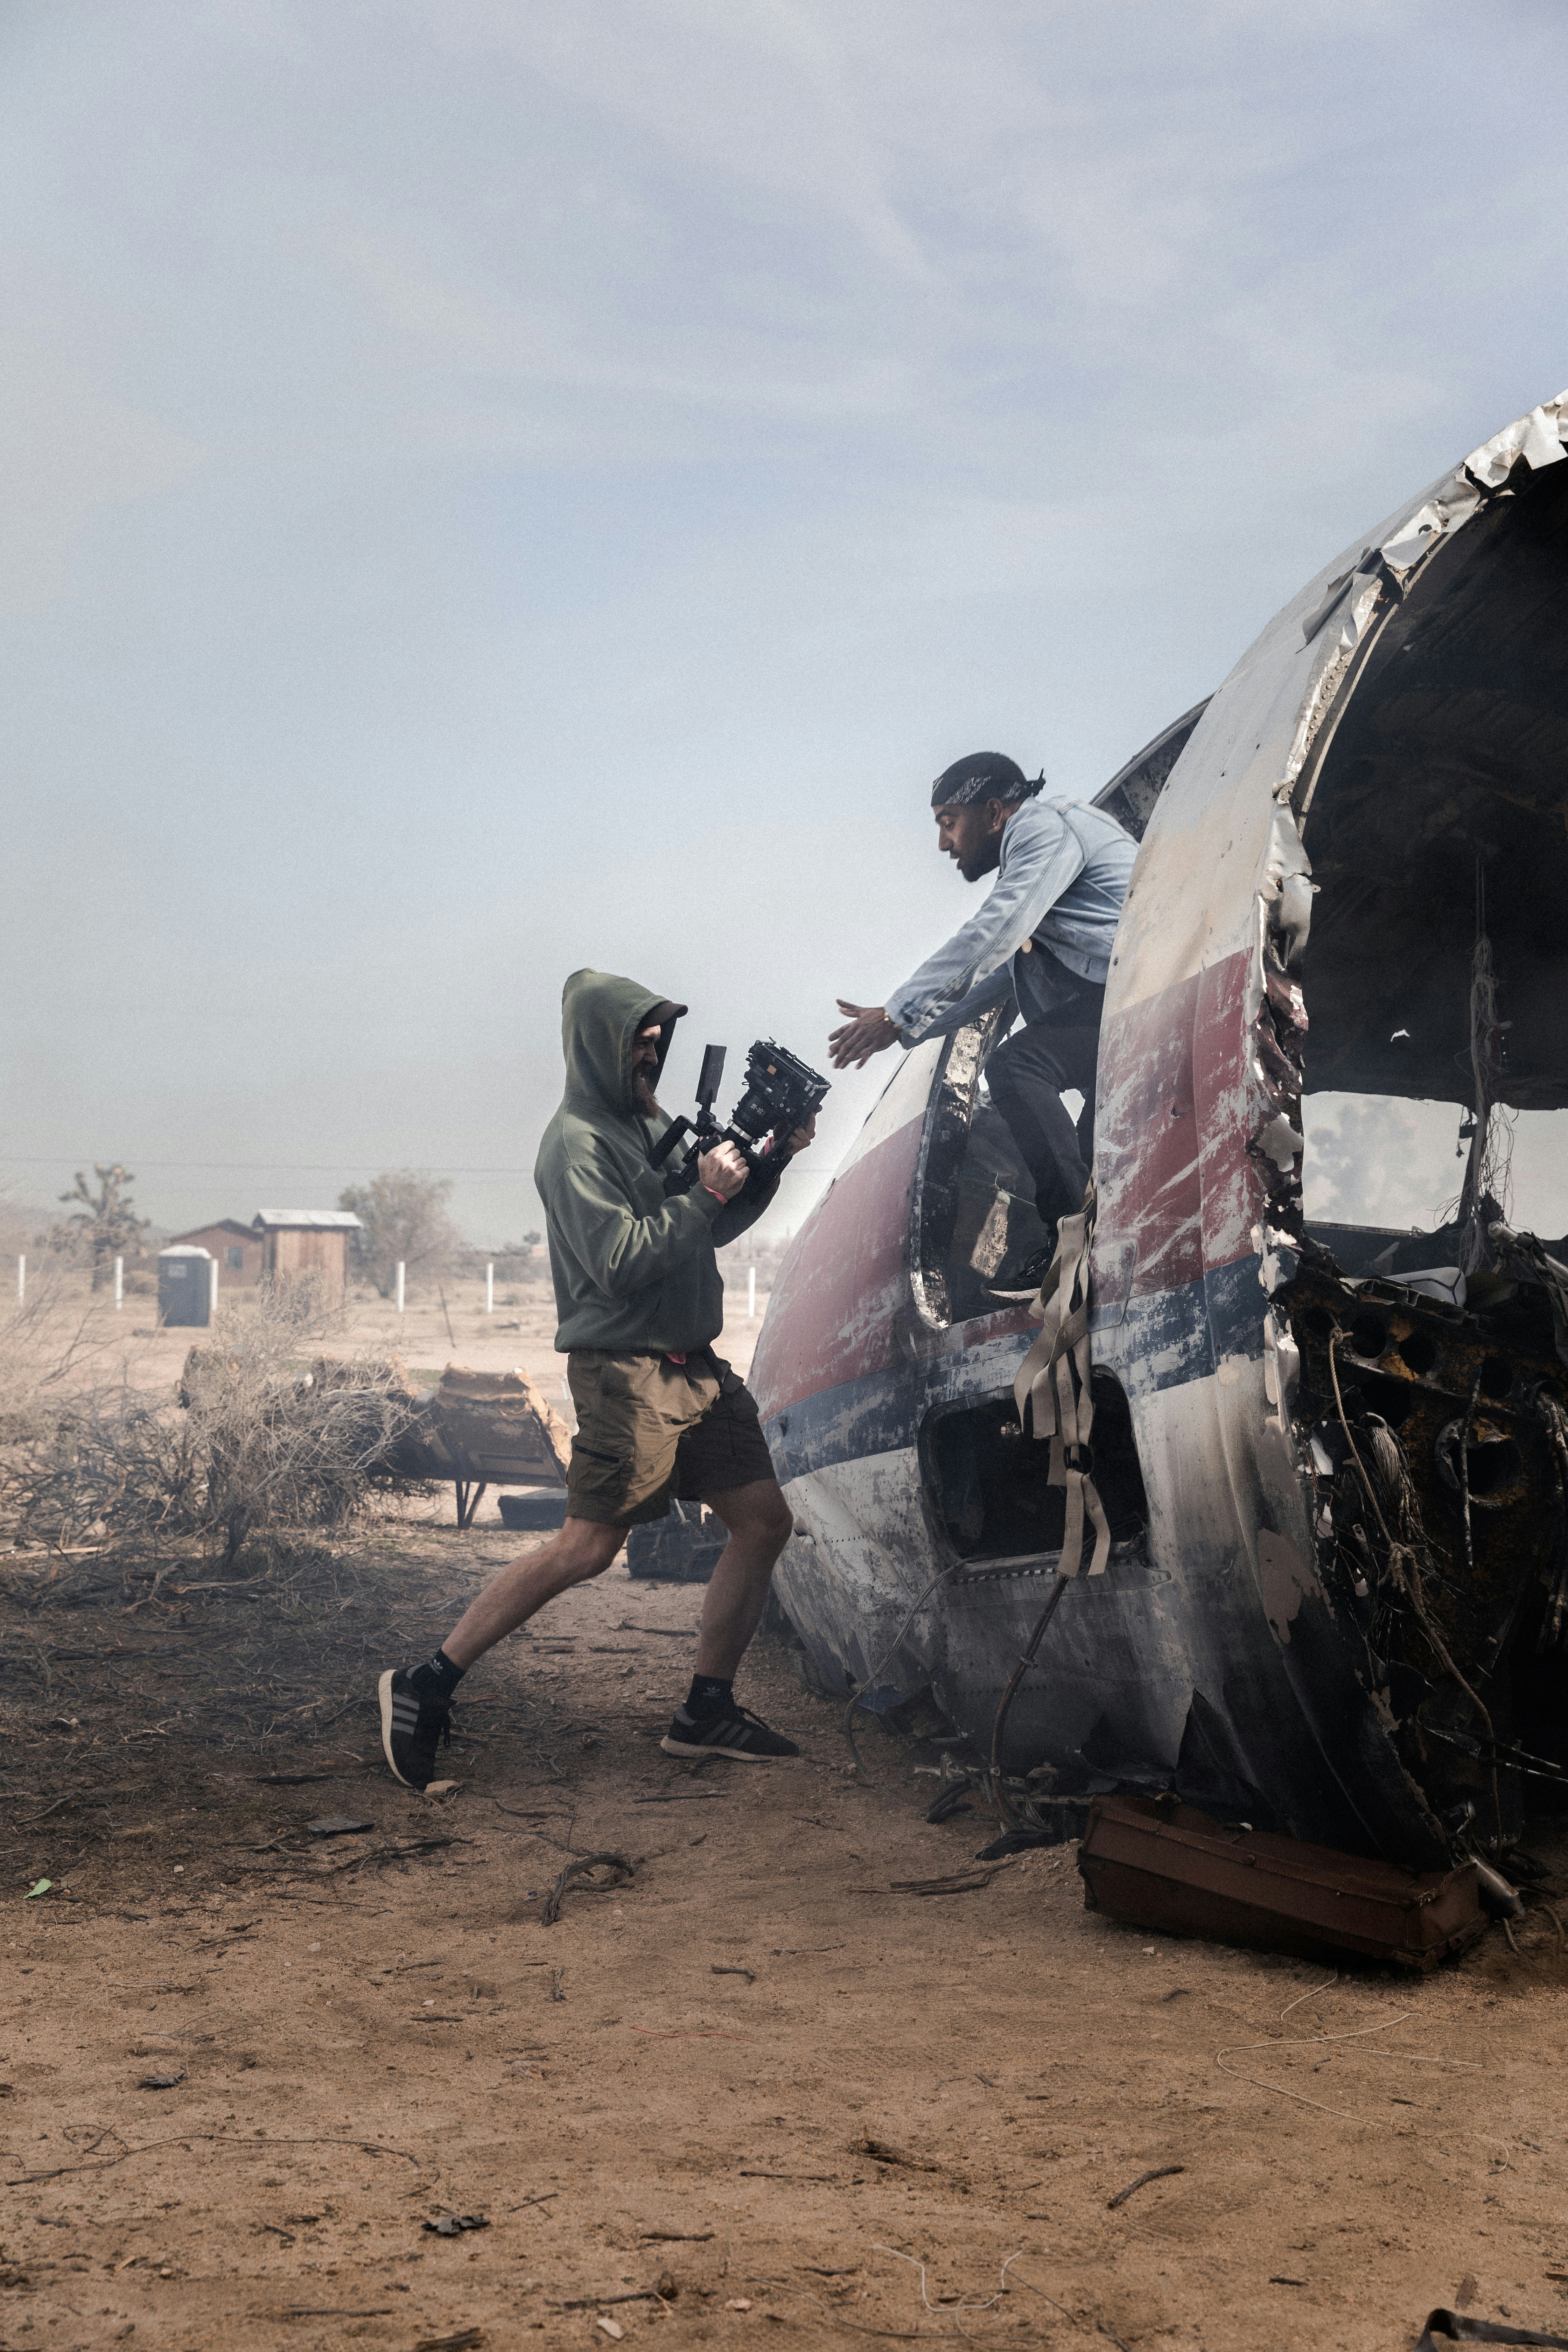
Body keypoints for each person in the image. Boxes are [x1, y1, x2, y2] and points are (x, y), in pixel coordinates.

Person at [377, 967, 814, 1793]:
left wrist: (771, 1165)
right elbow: (617, 1266)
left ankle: (704, 1711)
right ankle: (424, 1682)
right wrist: (700, 1198)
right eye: (636, 1039)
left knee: (761, 1522)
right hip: (627, 1371)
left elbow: (711, 1224)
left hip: (695, 1368)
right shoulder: (574, 1142)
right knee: (588, 1548)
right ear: (595, 1045)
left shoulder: (651, 1124)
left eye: (658, 1038)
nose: (650, 1052)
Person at [829, 751, 1135, 1247]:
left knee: (1017, 1067)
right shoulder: (1037, 855)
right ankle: (1083, 1239)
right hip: (1127, 999)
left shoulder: (1044, 829)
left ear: (994, 814)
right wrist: (905, 1028)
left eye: (949, 823)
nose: (944, 842)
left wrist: (895, 1014)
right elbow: (1000, 977)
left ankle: (1073, 1237)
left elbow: (994, 933)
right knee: (1087, 1154)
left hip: (1140, 993)